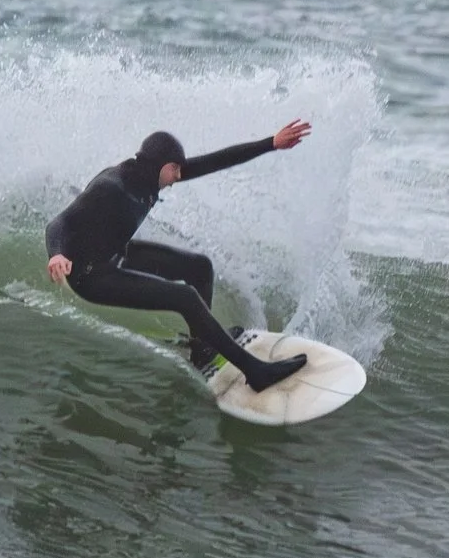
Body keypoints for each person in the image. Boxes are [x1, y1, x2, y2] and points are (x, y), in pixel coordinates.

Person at [45, 121, 313, 393]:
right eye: (175, 169)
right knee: (184, 297)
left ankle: (202, 349)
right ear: (163, 166)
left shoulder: (151, 175)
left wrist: (271, 143)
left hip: (117, 253)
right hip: (90, 275)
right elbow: (59, 223)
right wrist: (56, 255)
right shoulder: (112, 185)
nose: (178, 176)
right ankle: (256, 372)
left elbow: (215, 161)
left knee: (200, 267)